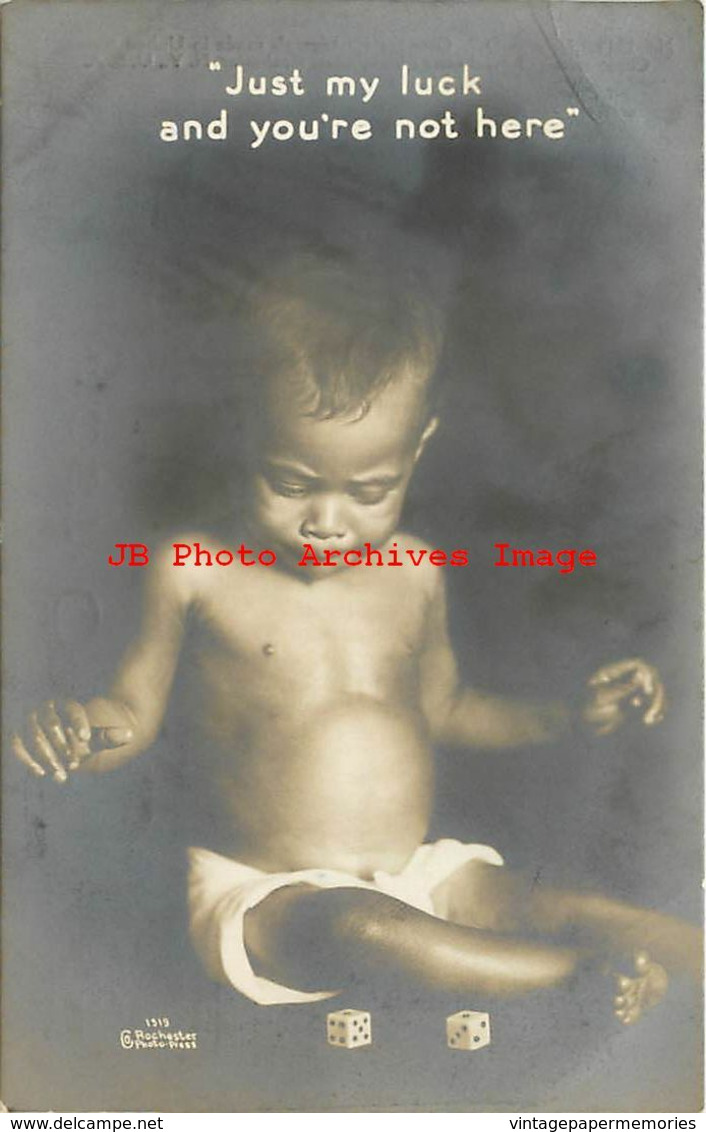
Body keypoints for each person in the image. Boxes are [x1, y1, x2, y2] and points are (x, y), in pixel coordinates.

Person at [11, 254, 700, 1018]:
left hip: (424, 873)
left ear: (420, 448)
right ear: (244, 435)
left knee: (572, 902)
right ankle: (582, 981)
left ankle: (651, 957)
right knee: (362, 927)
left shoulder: (415, 571)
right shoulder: (194, 570)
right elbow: (131, 715)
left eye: (371, 491)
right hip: (276, 894)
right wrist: (80, 730)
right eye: (292, 483)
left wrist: (572, 714)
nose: (328, 524)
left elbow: (449, 708)